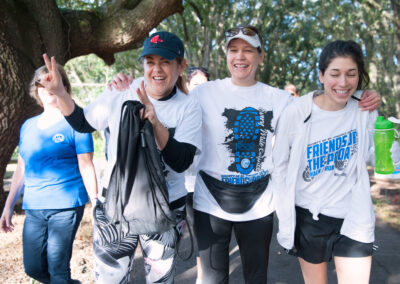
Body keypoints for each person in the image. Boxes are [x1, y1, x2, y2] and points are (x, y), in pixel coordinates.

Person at [110, 26, 381, 284]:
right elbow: (163, 90)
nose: (240, 56)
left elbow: (321, 106)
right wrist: (125, 83)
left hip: (259, 201)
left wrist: (362, 95)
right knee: (213, 278)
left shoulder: (280, 99)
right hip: (210, 201)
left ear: (260, 56)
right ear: (226, 56)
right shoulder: (203, 92)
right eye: (234, 50)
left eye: (249, 50)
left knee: (256, 277)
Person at [41, 31, 202, 283]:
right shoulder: (123, 89)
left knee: (160, 281)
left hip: (166, 210)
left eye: (165, 62)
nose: (156, 70)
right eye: (150, 62)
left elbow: (181, 161)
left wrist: (155, 121)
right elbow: (83, 123)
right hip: (114, 206)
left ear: (180, 66)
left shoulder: (188, 106)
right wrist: (61, 93)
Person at [273, 40, 379, 284]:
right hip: (309, 218)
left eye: (351, 74)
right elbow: (279, 165)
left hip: (355, 215)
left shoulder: (364, 108)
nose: (343, 83)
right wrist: (284, 212)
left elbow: (375, 155)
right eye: (335, 74)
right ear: (321, 75)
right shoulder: (297, 112)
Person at [0, 63, 97, 284]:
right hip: (34, 207)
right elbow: (22, 168)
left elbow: (86, 165)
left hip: (66, 205)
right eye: (41, 84)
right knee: (33, 268)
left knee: (57, 267)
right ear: (36, 90)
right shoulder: (28, 126)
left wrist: (96, 204)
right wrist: (8, 206)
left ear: (64, 86)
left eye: (53, 82)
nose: (47, 87)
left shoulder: (78, 123)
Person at [185, 66, 210, 284]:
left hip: (203, 184)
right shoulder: (180, 108)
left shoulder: (214, 112)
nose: (199, 90)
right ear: (186, 86)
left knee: (202, 234)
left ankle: (202, 278)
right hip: (178, 184)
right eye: (195, 84)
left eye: (204, 85)